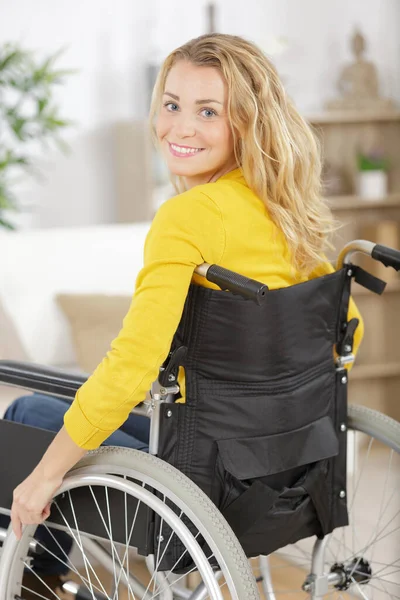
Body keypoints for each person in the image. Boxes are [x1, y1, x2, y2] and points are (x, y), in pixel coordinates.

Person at [5, 33, 364, 597]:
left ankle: (37, 580)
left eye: (207, 111)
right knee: (75, 400)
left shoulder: (187, 217)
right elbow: (348, 335)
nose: (179, 127)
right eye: (171, 105)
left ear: (245, 122)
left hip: (198, 475)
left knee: (28, 409)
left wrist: (44, 478)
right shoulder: (284, 209)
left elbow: (131, 366)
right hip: (284, 470)